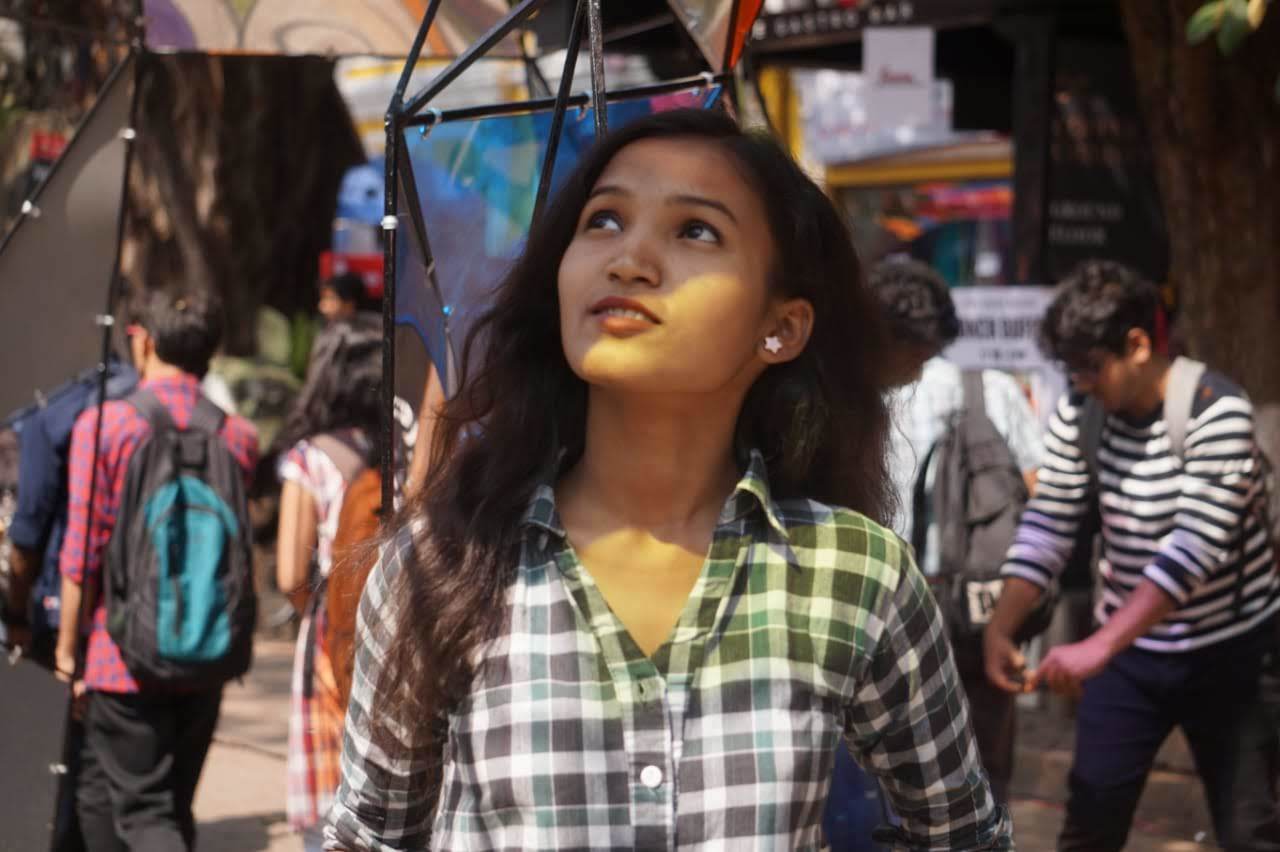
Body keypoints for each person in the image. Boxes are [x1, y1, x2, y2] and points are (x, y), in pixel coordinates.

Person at [325, 108, 1012, 850]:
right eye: (604, 220)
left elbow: (962, 835)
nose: (630, 259)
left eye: (696, 231)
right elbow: (367, 837)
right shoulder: (445, 563)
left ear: (781, 328)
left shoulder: (854, 572)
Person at [984, 259, 1280, 851]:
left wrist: (1097, 646)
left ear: (1139, 345)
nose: (1080, 383)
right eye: (1070, 369)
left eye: (1091, 367)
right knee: (1090, 824)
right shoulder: (1081, 412)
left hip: (1231, 654)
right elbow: (1050, 521)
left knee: (1250, 831)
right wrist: (1002, 626)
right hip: (1130, 658)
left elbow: (1191, 553)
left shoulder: (1217, 409)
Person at [55, 289, 258, 852]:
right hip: (209, 653)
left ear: (143, 341)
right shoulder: (237, 437)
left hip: (121, 659)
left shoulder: (107, 426)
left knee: (148, 815)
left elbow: (83, 553)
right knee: (121, 798)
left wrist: (69, 651)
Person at [871, 258, 1043, 805]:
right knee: (981, 773)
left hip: (878, 614)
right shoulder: (993, 390)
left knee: (881, 774)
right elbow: (1040, 502)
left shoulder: (849, 401)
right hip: (979, 613)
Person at [272, 315, 381, 852]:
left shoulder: (310, 458)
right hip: (396, 623)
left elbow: (291, 574)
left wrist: (313, 608)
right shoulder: (406, 451)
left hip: (329, 633)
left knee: (329, 800)